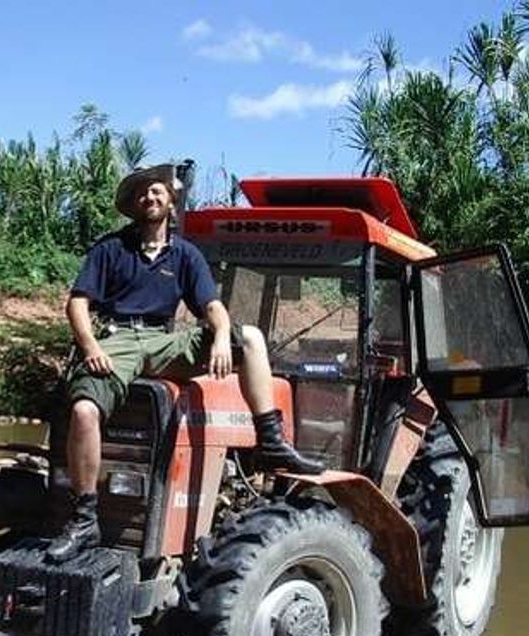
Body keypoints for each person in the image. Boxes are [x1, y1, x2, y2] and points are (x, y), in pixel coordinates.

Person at [47, 164, 325, 563]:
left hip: (164, 340)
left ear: (171, 201)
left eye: (157, 191)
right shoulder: (110, 249)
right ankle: (85, 517)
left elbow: (211, 306)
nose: (150, 197)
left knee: (249, 338)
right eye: (143, 192)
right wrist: (90, 345)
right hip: (120, 338)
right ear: (133, 205)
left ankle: (271, 440)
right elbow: (77, 303)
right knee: (84, 410)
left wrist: (220, 339)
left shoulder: (186, 255)